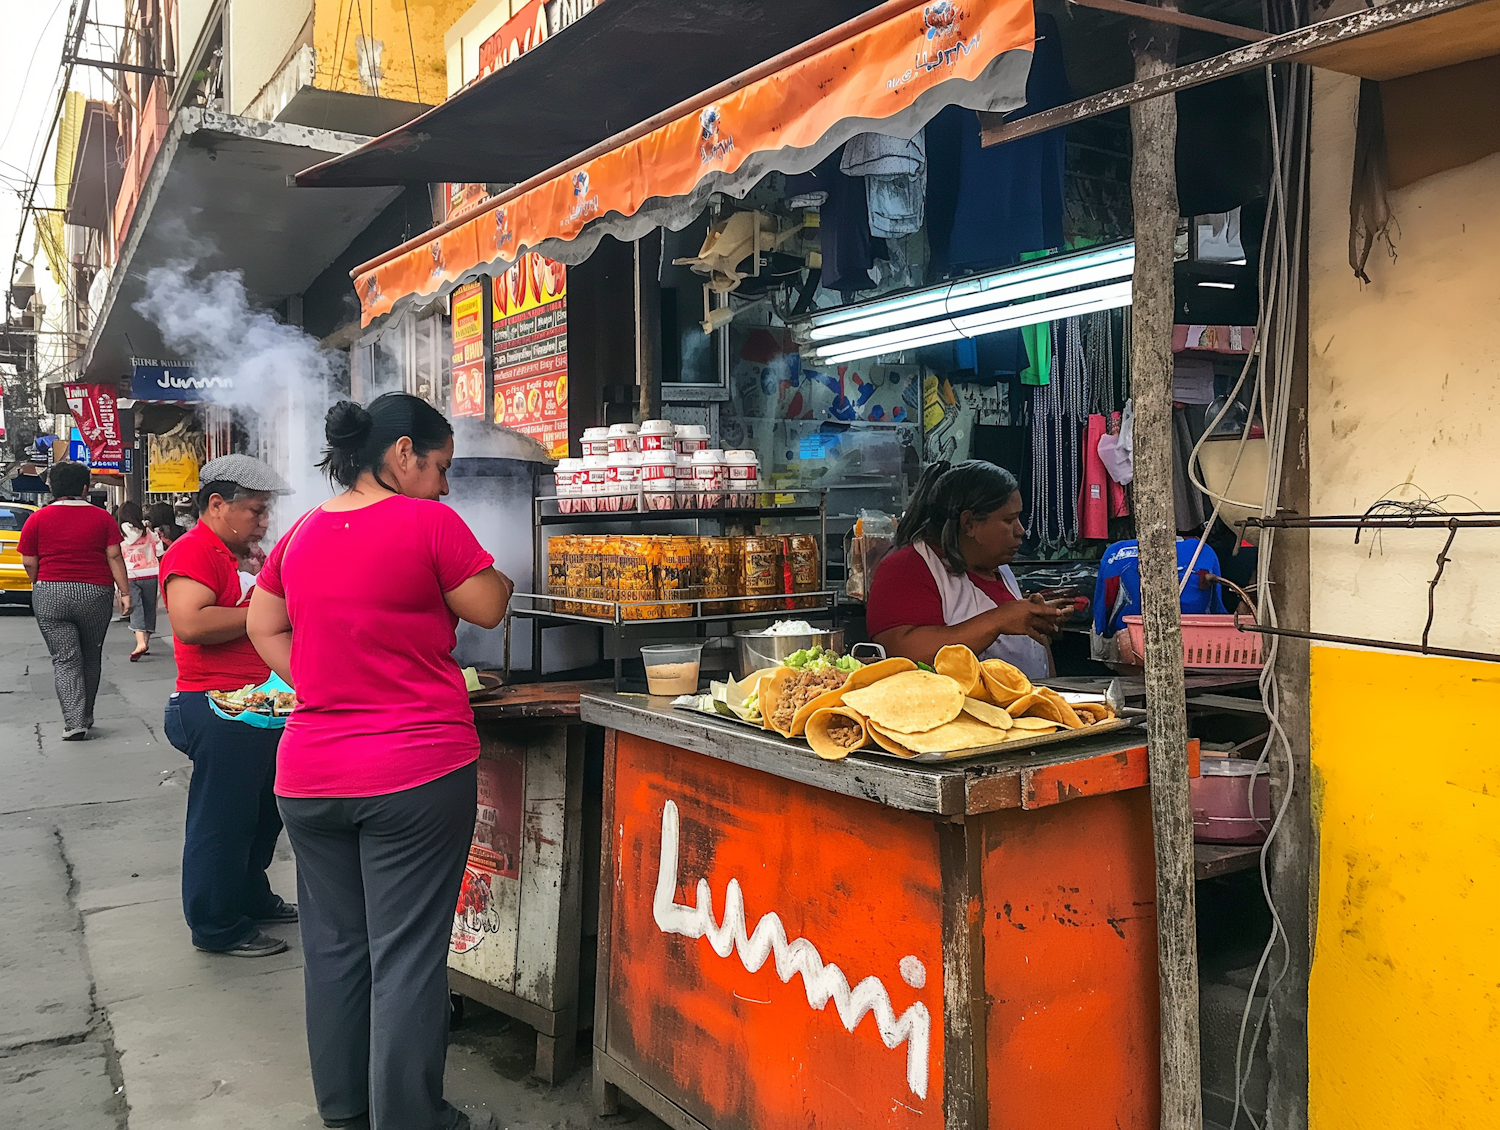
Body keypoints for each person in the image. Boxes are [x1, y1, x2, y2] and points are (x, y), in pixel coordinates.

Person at [248, 393, 512, 1130]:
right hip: (414, 774)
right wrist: (503, 579)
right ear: (403, 454)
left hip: (307, 775)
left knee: (335, 950)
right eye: (441, 468)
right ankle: (409, 1119)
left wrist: (318, 680)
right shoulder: (427, 521)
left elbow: (262, 622)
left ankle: (345, 1112)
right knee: (407, 957)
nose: (446, 485)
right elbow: (488, 606)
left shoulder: (300, 532)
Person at [160, 454, 298, 959]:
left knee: (264, 814)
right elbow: (190, 624)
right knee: (222, 821)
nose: (264, 522)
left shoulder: (247, 555)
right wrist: (262, 614)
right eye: (256, 511)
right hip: (218, 705)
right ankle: (217, 925)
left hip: (263, 704)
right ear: (217, 504)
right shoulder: (193, 551)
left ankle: (249, 896)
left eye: (267, 513)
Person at [865, 459, 1072, 679]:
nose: (1020, 531)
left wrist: (1035, 620)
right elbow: (904, 654)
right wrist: (998, 620)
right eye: (1009, 520)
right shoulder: (905, 569)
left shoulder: (1001, 569)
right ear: (969, 524)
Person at [18, 462, 131, 740]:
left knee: (65, 659)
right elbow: (114, 556)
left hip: (50, 593)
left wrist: (41, 584)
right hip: (95, 593)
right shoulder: (102, 518)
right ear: (85, 487)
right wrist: (125, 593)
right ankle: (87, 714)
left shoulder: (37, 519)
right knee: (91, 656)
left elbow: (29, 561)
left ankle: (74, 721)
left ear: (52, 488)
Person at [115, 501, 161, 661]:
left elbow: (115, 555)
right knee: (149, 608)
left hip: (129, 574)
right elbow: (159, 548)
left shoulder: (119, 533)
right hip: (150, 573)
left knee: (136, 608)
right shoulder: (146, 531)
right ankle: (145, 642)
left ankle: (141, 643)